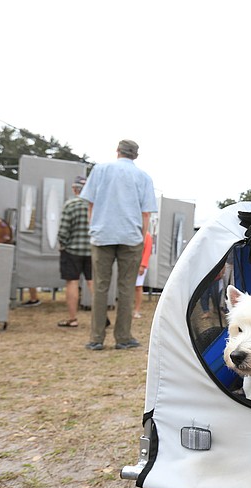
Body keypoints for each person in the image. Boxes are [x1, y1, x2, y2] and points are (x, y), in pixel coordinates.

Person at [80, 139, 157, 350]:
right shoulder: (143, 177)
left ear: (117, 151)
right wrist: (141, 239)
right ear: (136, 155)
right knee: (126, 288)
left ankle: (96, 338)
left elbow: (90, 204)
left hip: (102, 234)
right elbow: (146, 214)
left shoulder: (100, 170)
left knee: (100, 287)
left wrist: (93, 228)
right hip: (131, 237)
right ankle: (123, 337)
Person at [56, 176, 93, 328]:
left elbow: (63, 230)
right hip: (92, 250)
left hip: (72, 250)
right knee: (94, 284)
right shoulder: (94, 205)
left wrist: (62, 244)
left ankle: (73, 318)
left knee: (72, 282)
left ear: (74, 189)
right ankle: (100, 317)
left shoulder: (70, 205)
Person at [133, 230, 153, 319]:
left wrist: (143, 265)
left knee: (138, 287)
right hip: (131, 264)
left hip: (140, 265)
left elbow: (147, 251)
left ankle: (137, 310)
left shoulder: (147, 236)